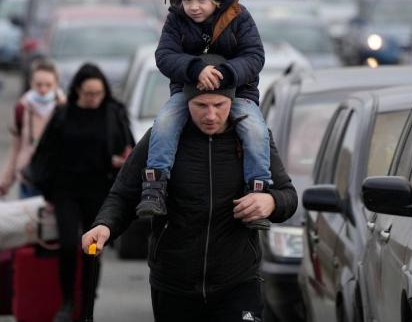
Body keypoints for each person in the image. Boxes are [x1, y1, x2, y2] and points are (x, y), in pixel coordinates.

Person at [81, 62, 298, 322]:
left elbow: (289, 196)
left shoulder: (253, 141)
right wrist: (104, 225)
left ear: (233, 102)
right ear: (185, 103)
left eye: (219, 106)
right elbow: (124, 195)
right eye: (200, 106)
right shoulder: (160, 140)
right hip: (175, 284)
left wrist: (271, 202)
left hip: (237, 281)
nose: (210, 116)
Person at [137, 0, 271, 231]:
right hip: (187, 94)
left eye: (201, 0)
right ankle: (155, 186)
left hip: (239, 94)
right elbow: (164, 56)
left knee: (256, 130)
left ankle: (258, 190)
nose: (194, 8)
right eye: (187, 0)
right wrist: (194, 68)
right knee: (164, 122)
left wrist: (226, 74)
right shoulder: (175, 21)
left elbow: (255, 56)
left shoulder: (239, 17)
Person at [29, 63, 134, 322]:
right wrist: (46, 190)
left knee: (92, 249)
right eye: (88, 93)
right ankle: (67, 301)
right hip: (66, 189)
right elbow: (45, 153)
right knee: (67, 245)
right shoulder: (63, 114)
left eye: (98, 93)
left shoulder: (113, 112)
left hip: (99, 190)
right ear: (77, 90)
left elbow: (128, 148)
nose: (94, 98)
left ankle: (87, 306)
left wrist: (121, 161)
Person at [0, 60, 66, 199]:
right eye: (38, 84)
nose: (43, 89)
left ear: (56, 84)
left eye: (48, 85)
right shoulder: (22, 107)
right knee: (26, 219)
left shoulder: (65, 108)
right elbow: (16, 148)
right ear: (31, 83)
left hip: (56, 180)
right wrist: (4, 182)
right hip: (28, 178)